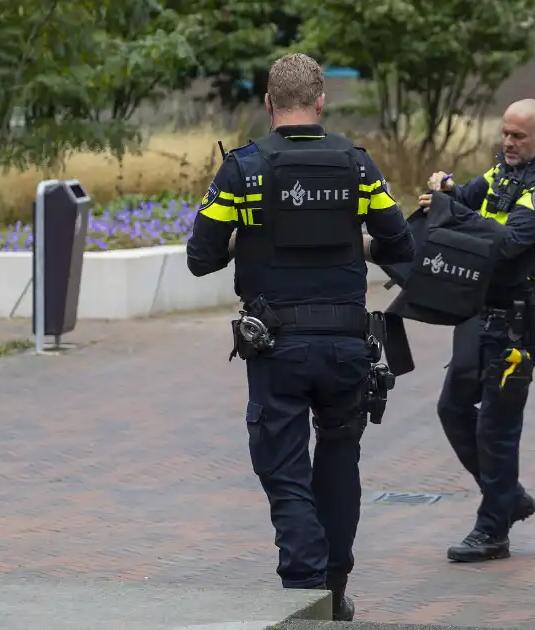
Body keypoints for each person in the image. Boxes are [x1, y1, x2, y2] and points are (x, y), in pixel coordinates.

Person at [186, 53, 415, 620]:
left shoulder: (243, 170)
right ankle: (333, 591)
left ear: (268, 104)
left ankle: (305, 589)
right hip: (346, 346)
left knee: (285, 470)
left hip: (277, 348)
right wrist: (357, 244)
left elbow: (200, 257)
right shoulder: (357, 166)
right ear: (320, 102)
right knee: (340, 463)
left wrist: (248, 241)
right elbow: (401, 245)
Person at [416, 98, 535, 563]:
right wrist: (443, 189)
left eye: (518, 136)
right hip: (479, 316)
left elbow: (504, 243)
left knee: (496, 428)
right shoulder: (500, 176)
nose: (508, 142)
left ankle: (493, 531)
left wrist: (452, 209)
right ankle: (510, 497)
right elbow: (464, 197)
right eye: (505, 133)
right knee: (452, 408)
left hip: (519, 330)